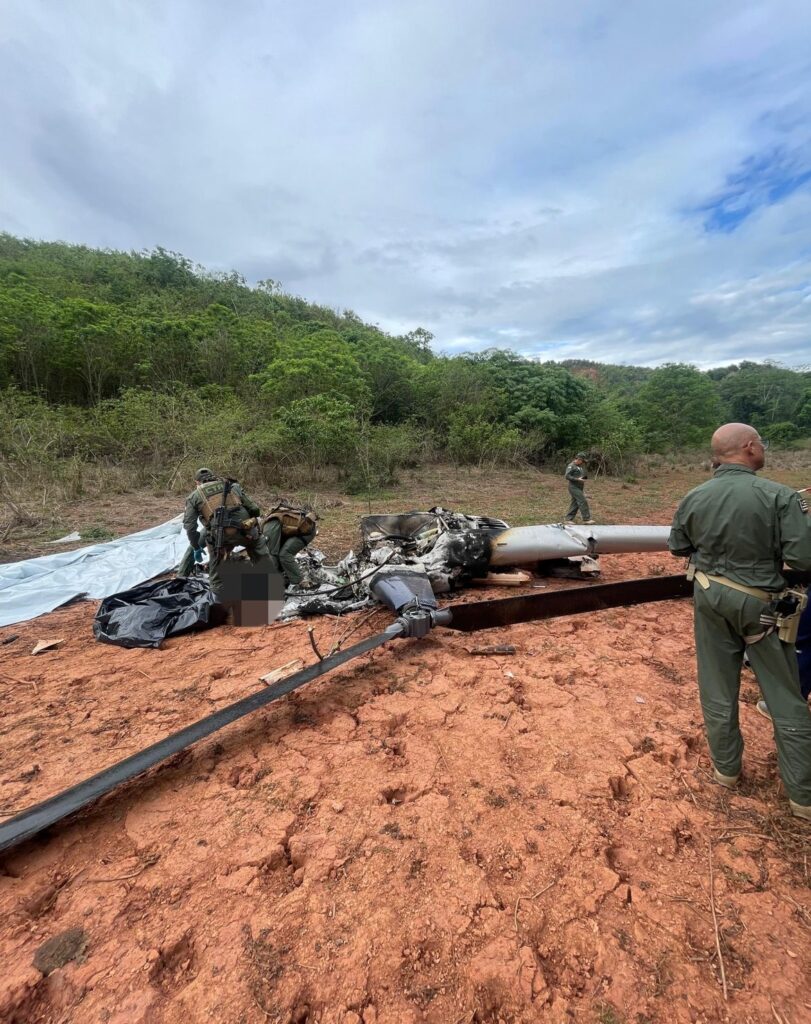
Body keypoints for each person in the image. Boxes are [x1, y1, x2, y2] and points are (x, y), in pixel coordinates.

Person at [668, 423, 811, 822]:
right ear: (749, 448)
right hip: (760, 605)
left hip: (709, 596)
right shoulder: (780, 496)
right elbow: (804, 559)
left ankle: (726, 771)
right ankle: (803, 797)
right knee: (785, 696)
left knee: (716, 686)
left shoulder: (694, 495)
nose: (763, 449)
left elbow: (678, 545)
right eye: (761, 444)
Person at [182, 468, 272, 598]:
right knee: (262, 558)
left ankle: (218, 601)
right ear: (213, 477)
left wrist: (196, 547)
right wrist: (251, 522)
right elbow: (254, 509)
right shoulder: (232, 486)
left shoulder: (194, 496)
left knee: (217, 575)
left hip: (220, 537)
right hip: (247, 531)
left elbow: (190, 527)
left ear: (197, 482)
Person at [261, 500, 318, 589]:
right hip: (302, 529)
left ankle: (299, 583)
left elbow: (272, 556)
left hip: (306, 531)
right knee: (280, 553)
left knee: (284, 554)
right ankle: (286, 577)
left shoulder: (268, 528)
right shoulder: (270, 523)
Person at [564, 452, 595, 524]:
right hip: (573, 487)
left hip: (579, 487)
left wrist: (582, 479)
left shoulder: (580, 467)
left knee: (575, 503)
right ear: (578, 459)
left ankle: (568, 519)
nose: (583, 462)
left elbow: (579, 476)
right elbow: (567, 476)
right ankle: (586, 519)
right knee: (583, 501)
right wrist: (577, 479)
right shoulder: (571, 466)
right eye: (582, 460)